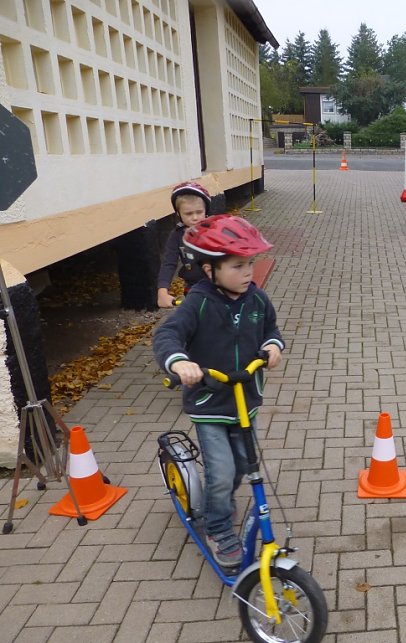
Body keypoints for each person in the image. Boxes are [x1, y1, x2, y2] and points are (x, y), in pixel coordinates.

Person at [153, 215, 284, 571]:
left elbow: (271, 329)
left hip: (245, 401)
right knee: (222, 471)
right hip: (210, 402)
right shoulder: (198, 302)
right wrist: (180, 362)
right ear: (210, 270)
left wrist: (273, 346)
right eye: (238, 266)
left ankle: (219, 501)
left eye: (250, 264)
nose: (248, 272)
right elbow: (168, 335)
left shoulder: (257, 300)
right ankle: (217, 527)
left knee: (243, 464)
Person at [156, 182, 211, 308]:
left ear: (206, 211)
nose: (195, 217)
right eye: (188, 214)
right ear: (179, 214)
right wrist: (162, 292)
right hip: (193, 288)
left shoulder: (214, 230)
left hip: (219, 286)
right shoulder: (176, 235)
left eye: (199, 212)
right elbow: (168, 263)